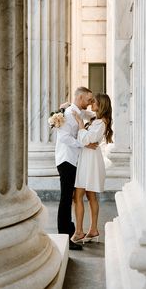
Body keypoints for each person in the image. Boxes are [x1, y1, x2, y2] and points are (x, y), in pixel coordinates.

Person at [55, 87, 96, 250]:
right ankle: (64, 235)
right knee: (66, 198)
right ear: (79, 98)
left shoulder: (77, 111)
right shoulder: (68, 114)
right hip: (66, 160)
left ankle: (69, 228)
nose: (90, 102)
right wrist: (84, 143)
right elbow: (64, 137)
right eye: (89, 99)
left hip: (73, 160)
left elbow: (92, 115)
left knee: (70, 196)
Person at [70, 93, 113, 244]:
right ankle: (91, 230)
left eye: (93, 102)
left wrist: (81, 124)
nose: (90, 104)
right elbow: (84, 112)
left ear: (100, 105)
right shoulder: (97, 119)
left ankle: (81, 231)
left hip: (91, 161)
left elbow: (87, 139)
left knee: (81, 195)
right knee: (87, 195)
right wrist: (68, 107)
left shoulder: (101, 122)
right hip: (88, 158)